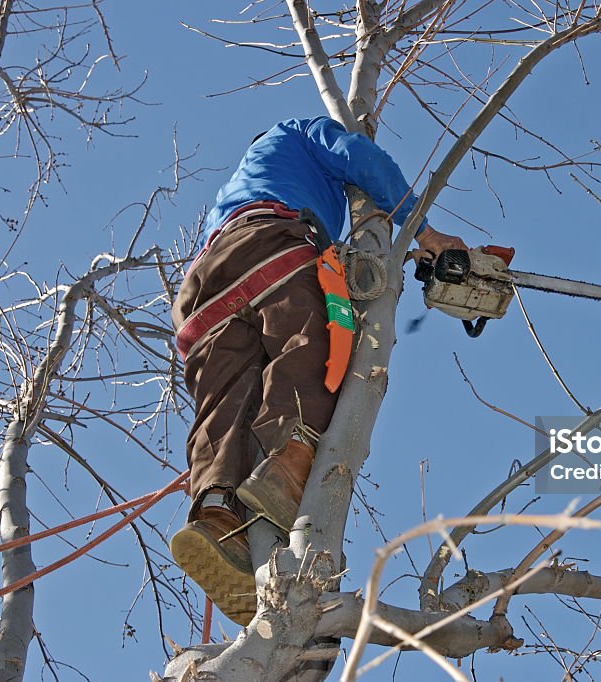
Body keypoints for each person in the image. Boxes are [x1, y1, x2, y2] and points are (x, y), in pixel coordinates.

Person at [168, 116, 467, 624]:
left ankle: (217, 512)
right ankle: (290, 463)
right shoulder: (293, 133)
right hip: (269, 244)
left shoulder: (239, 186)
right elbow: (360, 158)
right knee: (319, 351)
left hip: (200, 292)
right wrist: (426, 229)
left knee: (226, 403)